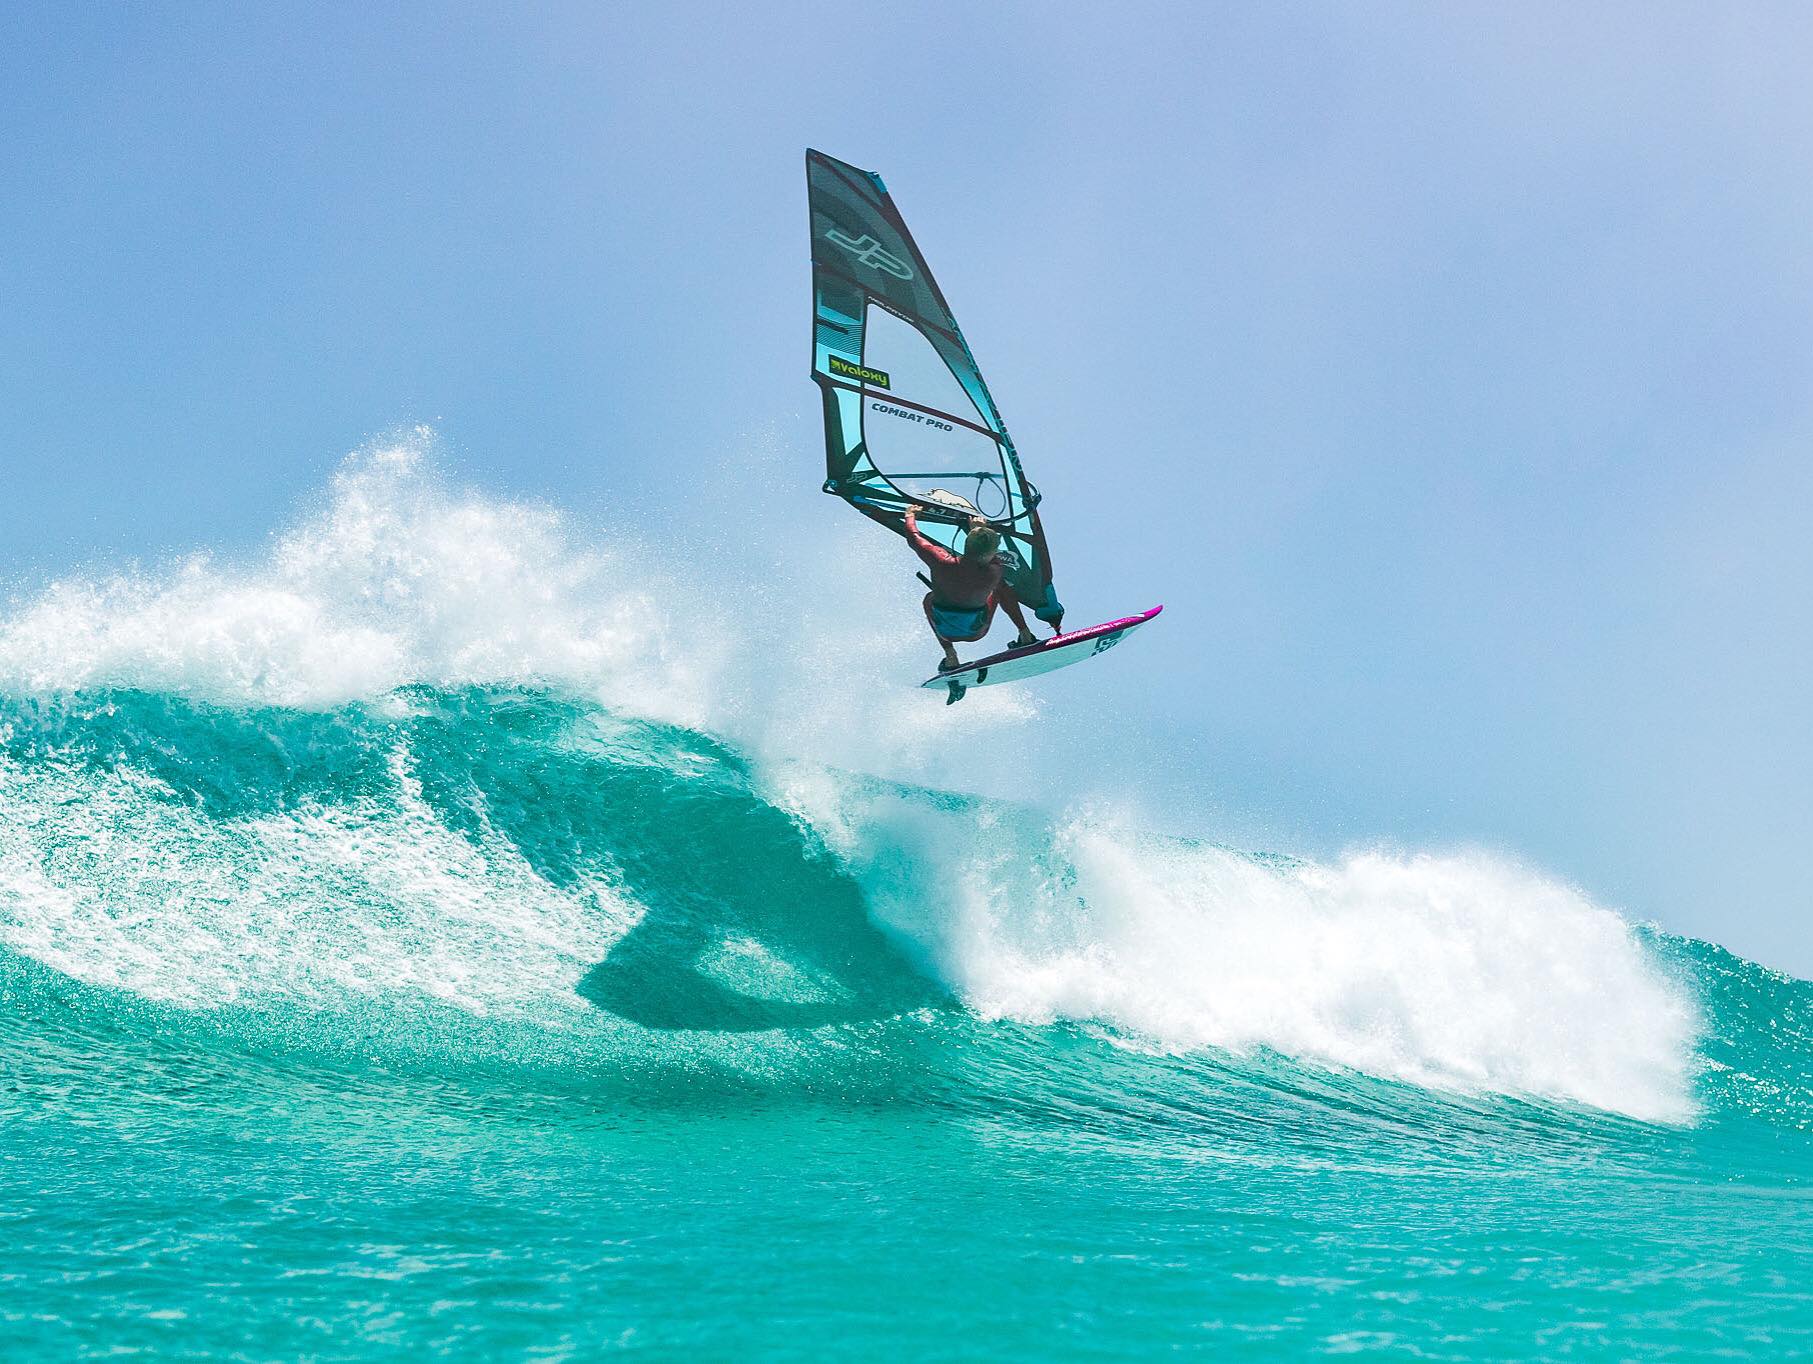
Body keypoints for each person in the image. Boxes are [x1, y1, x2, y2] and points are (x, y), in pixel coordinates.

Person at [903, 505, 1038, 672]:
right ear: (991, 553)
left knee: (929, 599)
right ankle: (1025, 634)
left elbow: (913, 538)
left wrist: (910, 515)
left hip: (945, 632)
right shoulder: (994, 571)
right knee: (1001, 587)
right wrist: (978, 528)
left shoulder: (940, 561)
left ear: (966, 543)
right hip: (977, 631)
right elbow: (984, 555)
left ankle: (950, 655)